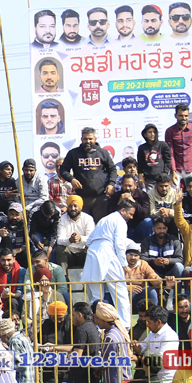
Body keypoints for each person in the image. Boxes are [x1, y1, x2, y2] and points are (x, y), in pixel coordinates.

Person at [82, 198, 137, 328]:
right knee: (120, 289)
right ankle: (125, 325)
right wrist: (124, 265)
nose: (131, 217)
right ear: (123, 210)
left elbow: (89, 241)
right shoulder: (120, 221)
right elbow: (119, 244)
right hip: (107, 252)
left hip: (93, 253)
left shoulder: (104, 219)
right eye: (130, 214)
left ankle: (97, 327)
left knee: (96, 294)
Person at [58, 127, 117, 217]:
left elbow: (112, 169)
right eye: (85, 139)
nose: (88, 141)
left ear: (95, 139)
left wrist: (111, 184)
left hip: (100, 198)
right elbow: (63, 170)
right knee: (83, 224)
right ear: (81, 139)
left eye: (90, 139)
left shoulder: (103, 153)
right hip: (81, 198)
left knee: (100, 223)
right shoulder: (73, 153)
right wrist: (72, 179)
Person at [166, 104, 192, 177]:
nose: (184, 118)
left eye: (186, 116)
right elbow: (170, 153)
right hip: (177, 169)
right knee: (173, 185)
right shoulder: (170, 131)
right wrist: (173, 170)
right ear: (175, 116)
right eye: (181, 116)